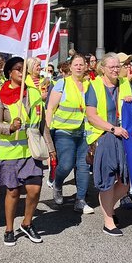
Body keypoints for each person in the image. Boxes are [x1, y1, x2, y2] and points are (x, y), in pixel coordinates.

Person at [0, 57, 55, 247]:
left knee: (35, 190)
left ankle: (27, 223)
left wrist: (51, 149)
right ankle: (9, 229)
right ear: (9, 72)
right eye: (17, 69)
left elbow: (42, 124)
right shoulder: (0, 96)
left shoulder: (34, 93)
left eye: (24, 69)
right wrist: (9, 127)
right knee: (13, 193)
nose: (21, 72)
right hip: (10, 152)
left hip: (31, 151)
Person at [85, 53, 131, 236]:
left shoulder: (125, 84)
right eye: (111, 66)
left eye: (117, 66)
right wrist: (112, 129)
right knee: (108, 180)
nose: (115, 69)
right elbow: (92, 115)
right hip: (104, 136)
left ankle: (108, 207)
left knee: (126, 182)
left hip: (124, 136)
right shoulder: (94, 86)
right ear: (102, 68)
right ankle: (108, 221)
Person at [45, 54, 93, 214]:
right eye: (76, 64)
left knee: (83, 166)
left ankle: (80, 200)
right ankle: (58, 183)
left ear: (86, 67)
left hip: (84, 131)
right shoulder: (62, 83)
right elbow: (50, 108)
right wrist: (47, 132)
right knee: (66, 164)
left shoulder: (89, 84)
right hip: (64, 131)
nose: (79, 67)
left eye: (82, 64)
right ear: (70, 67)